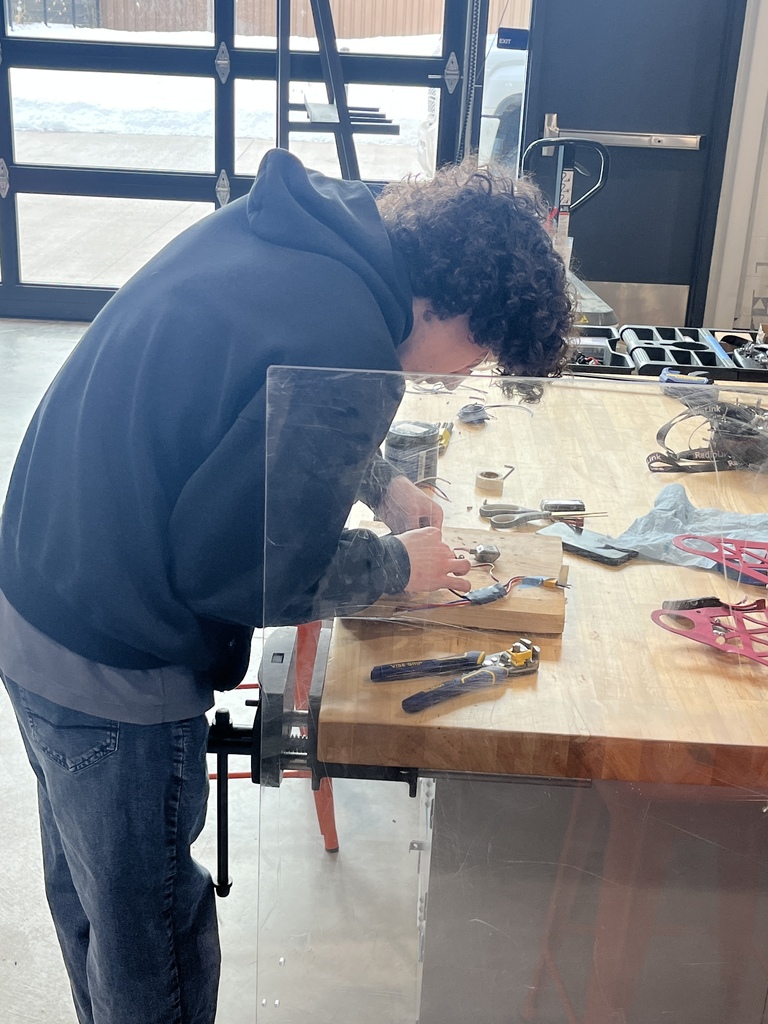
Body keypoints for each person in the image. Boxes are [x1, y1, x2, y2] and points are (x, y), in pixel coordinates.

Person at [0, 148, 572, 1024]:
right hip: (110, 653)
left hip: (40, 581)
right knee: (150, 940)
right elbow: (235, 570)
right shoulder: (348, 341)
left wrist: (378, 482)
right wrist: (395, 569)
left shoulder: (324, 237)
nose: (467, 373)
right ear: (451, 301)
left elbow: (252, 402)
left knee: (95, 908)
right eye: (484, 346)